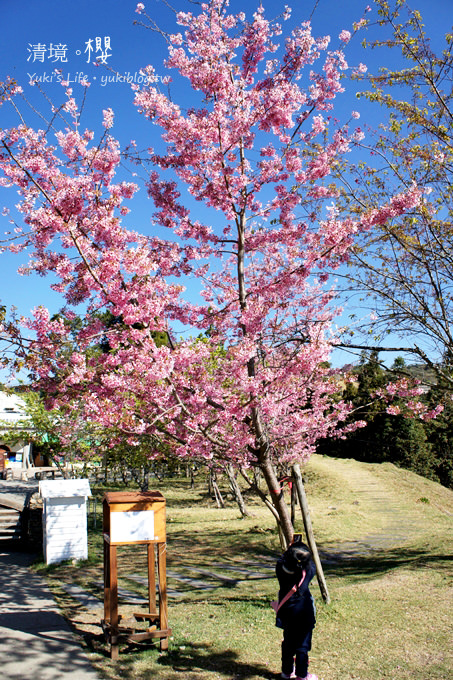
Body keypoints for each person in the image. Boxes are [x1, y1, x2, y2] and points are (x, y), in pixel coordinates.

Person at [274, 539, 318, 680]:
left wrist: (290, 549)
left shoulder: (280, 569)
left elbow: (282, 559)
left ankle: (286, 672)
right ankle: (302, 675)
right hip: (304, 613)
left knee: (288, 643)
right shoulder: (309, 571)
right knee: (302, 646)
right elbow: (312, 565)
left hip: (287, 613)